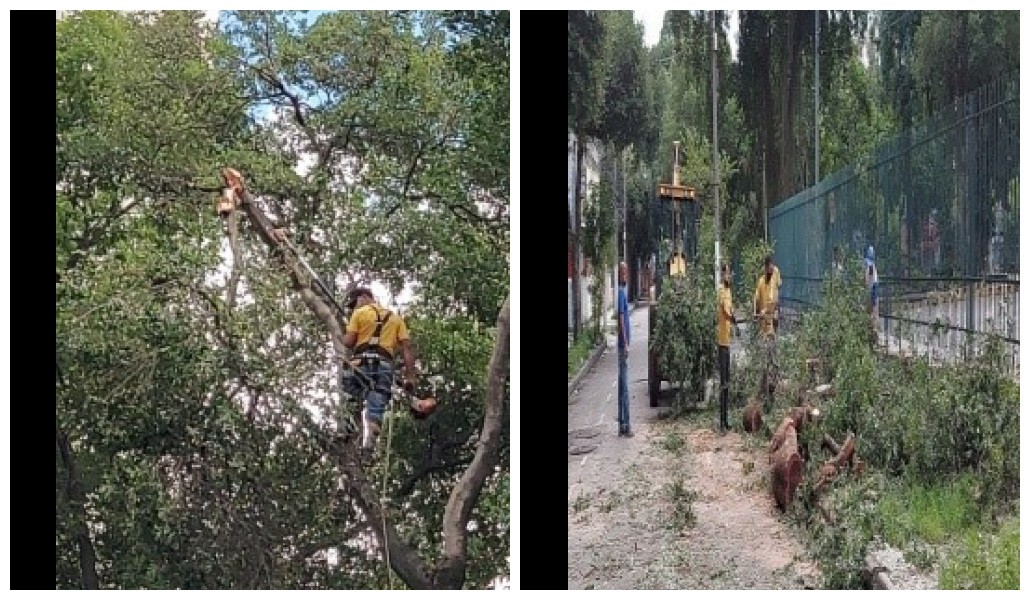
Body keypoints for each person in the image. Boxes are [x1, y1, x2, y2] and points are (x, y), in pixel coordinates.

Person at [342, 287, 418, 448]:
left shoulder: (360, 313)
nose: (353, 307)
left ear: (363, 297)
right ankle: (372, 427)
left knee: (350, 394)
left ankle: (347, 427)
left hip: (360, 363)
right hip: (383, 364)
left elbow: (348, 342)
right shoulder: (396, 319)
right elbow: (407, 347)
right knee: (378, 395)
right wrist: (410, 376)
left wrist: (347, 332)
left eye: (354, 303)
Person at [717, 262, 737, 433]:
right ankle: (721, 422)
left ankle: (726, 419)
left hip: (727, 341)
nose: (729, 276)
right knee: (723, 383)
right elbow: (724, 312)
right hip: (721, 341)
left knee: (727, 383)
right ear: (723, 274)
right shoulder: (722, 290)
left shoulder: (729, 290)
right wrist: (731, 318)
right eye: (727, 274)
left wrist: (734, 315)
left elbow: (730, 309)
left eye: (730, 274)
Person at [617, 262, 632, 437]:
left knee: (622, 386)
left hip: (622, 345)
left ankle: (621, 424)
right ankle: (626, 425)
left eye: (627, 273)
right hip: (623, 346)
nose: (626, 276)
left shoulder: (622, 292)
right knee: (625, 387)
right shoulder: (621, 293)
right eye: (624, 273)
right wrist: (626, 343)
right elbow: (621, 318)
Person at [865, 245, 879, 341]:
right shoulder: (870, 264)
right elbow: (870, 274)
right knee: (873, 311)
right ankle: (873, 333)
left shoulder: (868, 263)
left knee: (871, 311)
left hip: (871, 287)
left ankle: (872, 332)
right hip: (872, 288)